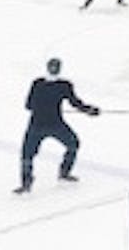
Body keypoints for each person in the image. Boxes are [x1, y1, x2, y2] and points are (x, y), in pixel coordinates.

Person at [14, 58, 100, 194]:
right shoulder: (64, 85)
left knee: (27, 155)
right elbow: (75, 103)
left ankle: (26, 183)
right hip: (55, 124)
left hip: (37, 124)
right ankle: (64, 172)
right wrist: (89, 110)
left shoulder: (37, 84)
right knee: (73, 144)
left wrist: (42, 106)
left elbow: (28, 105)